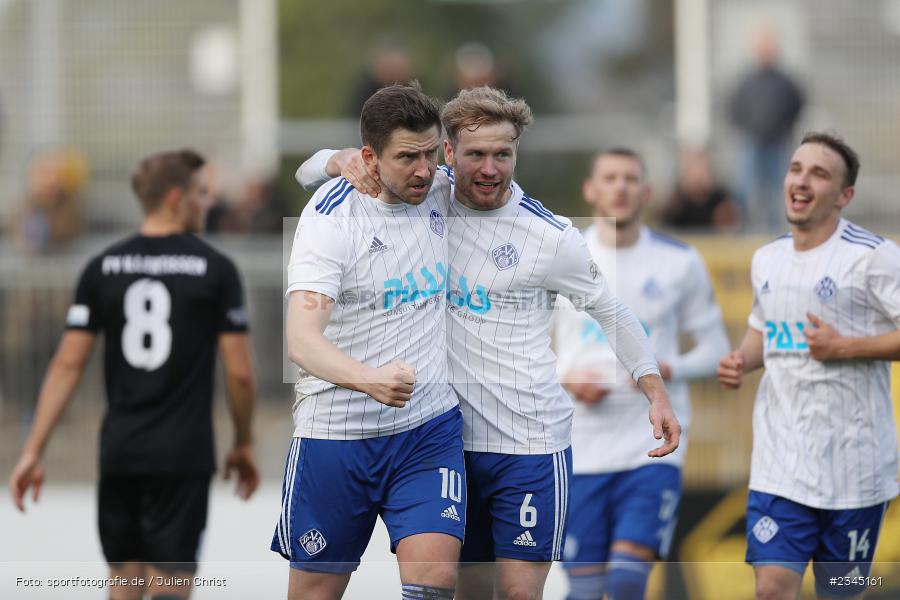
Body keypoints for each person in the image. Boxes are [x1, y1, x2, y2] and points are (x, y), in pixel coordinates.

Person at [299, 86, 682, 600]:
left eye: (503, 154)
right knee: (462, 591)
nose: (490, 169)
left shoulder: (550, 236)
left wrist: (654, 390)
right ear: (449, 156)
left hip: (529, 443)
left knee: (520, 595)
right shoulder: (426, 191)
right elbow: (310, 171)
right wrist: (336, 159)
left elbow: (610, 312)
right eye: (475, 154)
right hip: (450, 444)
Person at [8, 149, 260, 600]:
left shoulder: (103, 267)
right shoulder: (215, 270)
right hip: (183, 455)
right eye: (201, 195)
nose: (207, 204)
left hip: (120, 451)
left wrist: (33, 449)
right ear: (176, 198)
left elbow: (67, 364)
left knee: (124, 584)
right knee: (170, 586)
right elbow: (239, 373)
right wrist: (243, 442)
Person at [276, 83, 465, 600]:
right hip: (336, 437)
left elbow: (497, 175)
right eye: (407, 157)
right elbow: (301, 341)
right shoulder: (330, 218)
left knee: (437, 580)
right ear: (369, 159)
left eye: (431, 152)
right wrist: (370, 380)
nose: (424, 169)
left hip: (427, 431)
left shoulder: (442, 189)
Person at [717, 132, 900, 600]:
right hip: (782, 464)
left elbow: (840, 345)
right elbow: (764, 326)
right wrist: (742, 359)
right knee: (772, 588)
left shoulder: (874, 257)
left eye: (819, 174)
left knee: (840, 592)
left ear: (845, 195)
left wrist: (845, 348)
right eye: (796, 169)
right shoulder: (767, 258)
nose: (801, 181)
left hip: (855, 470)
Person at [553, 148, 729, 600]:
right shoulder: (560, 255)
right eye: (609, 178)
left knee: (629, 580)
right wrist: (567, 379)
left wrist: (668, 368)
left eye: (631, 178)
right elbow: (528, 346)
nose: (621, 187)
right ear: (590, 190)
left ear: (647, 192)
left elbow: (716, 351)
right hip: (579, 448)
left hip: (651, 448)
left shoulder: (679, 261)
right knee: (586, 592)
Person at [729, 22, 805, 232]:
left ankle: (775, 232)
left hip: (778, 143)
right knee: (745, 191)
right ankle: (743, 231)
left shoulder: (785, 81)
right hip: (752, 143)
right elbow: (734, 108)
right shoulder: (746, 80)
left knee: (777, 192)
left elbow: (797, 105)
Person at [662, 145, 740, 232]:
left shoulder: (721, 200)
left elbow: (730, 231)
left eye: (700, 163)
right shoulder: (677, 202)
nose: (697, 171)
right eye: (691, 165)